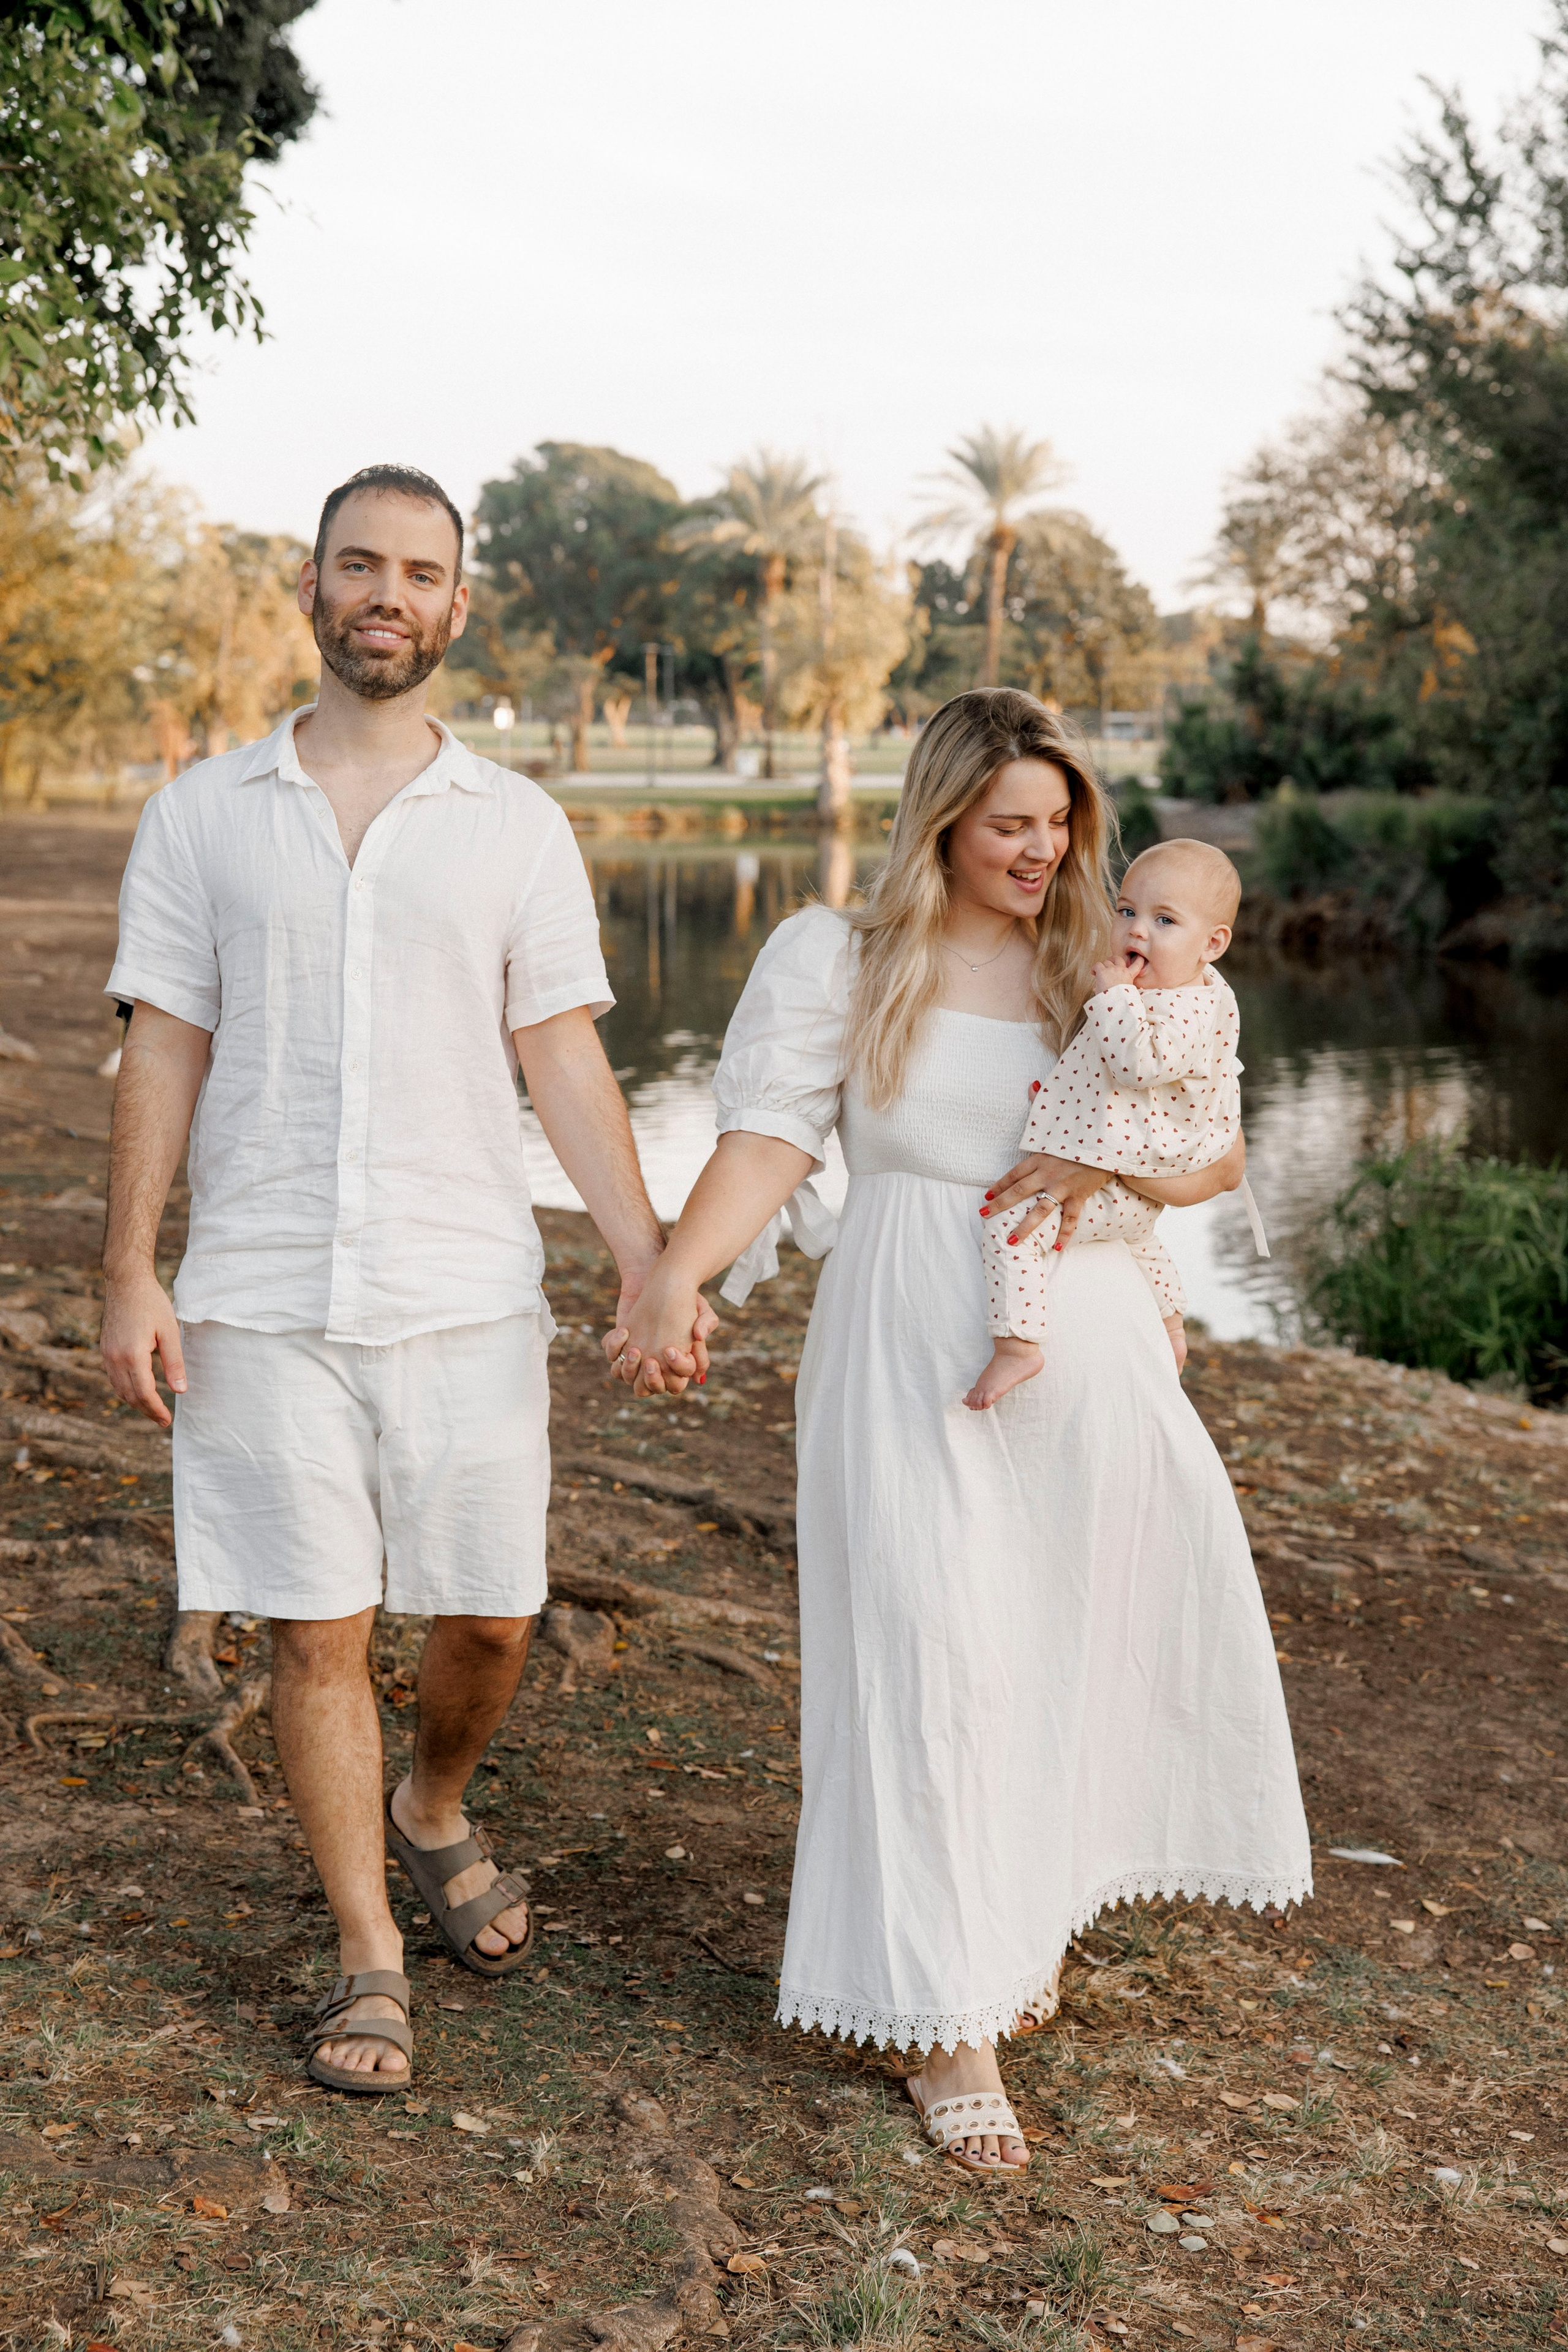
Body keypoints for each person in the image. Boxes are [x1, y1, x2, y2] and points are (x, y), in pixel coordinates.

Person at [605, 689, 1311, 2174]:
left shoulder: (1099, 963)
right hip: (906, 1326)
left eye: (1060, 823)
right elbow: (768, 1136)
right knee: (926, 1645)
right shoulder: (843, 958)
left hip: (1089, 1330)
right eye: (1010, 823)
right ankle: (943, 2019)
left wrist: (1109, 1178)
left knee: (1046, 1642)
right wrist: (678, 1271)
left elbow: (1216, 1143)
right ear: (939, 815)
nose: (1042, 850)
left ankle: (1006, 1922)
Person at [100, 464, 664, 2094]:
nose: (388, 594)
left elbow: (560, 1053)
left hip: (468, 1290)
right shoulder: (205, 812)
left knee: (493, 1615)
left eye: (421, 571)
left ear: (457, 606)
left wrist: (643, 1259)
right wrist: (133, 1269)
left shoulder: (517, 825)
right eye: (362, 564)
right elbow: (165, 1048)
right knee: (315, 1631)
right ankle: (364, 1952)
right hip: (260, 1292)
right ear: (311, 584)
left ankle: (433, 1807)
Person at [967, 834, 1245, 1410]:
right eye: (1127, 911)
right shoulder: (1178, 991)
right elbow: (1106, 1076)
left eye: (1165, 920)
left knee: (1011, 1228)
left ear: (1212, 943)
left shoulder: (1188, 1007)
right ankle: (1170, 1325)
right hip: (1134, 1182)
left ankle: (1019, 1345)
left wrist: (1115, 997)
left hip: (1128, 1176)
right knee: (1141, 1242)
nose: (1137, 930)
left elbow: (1137, 1064)